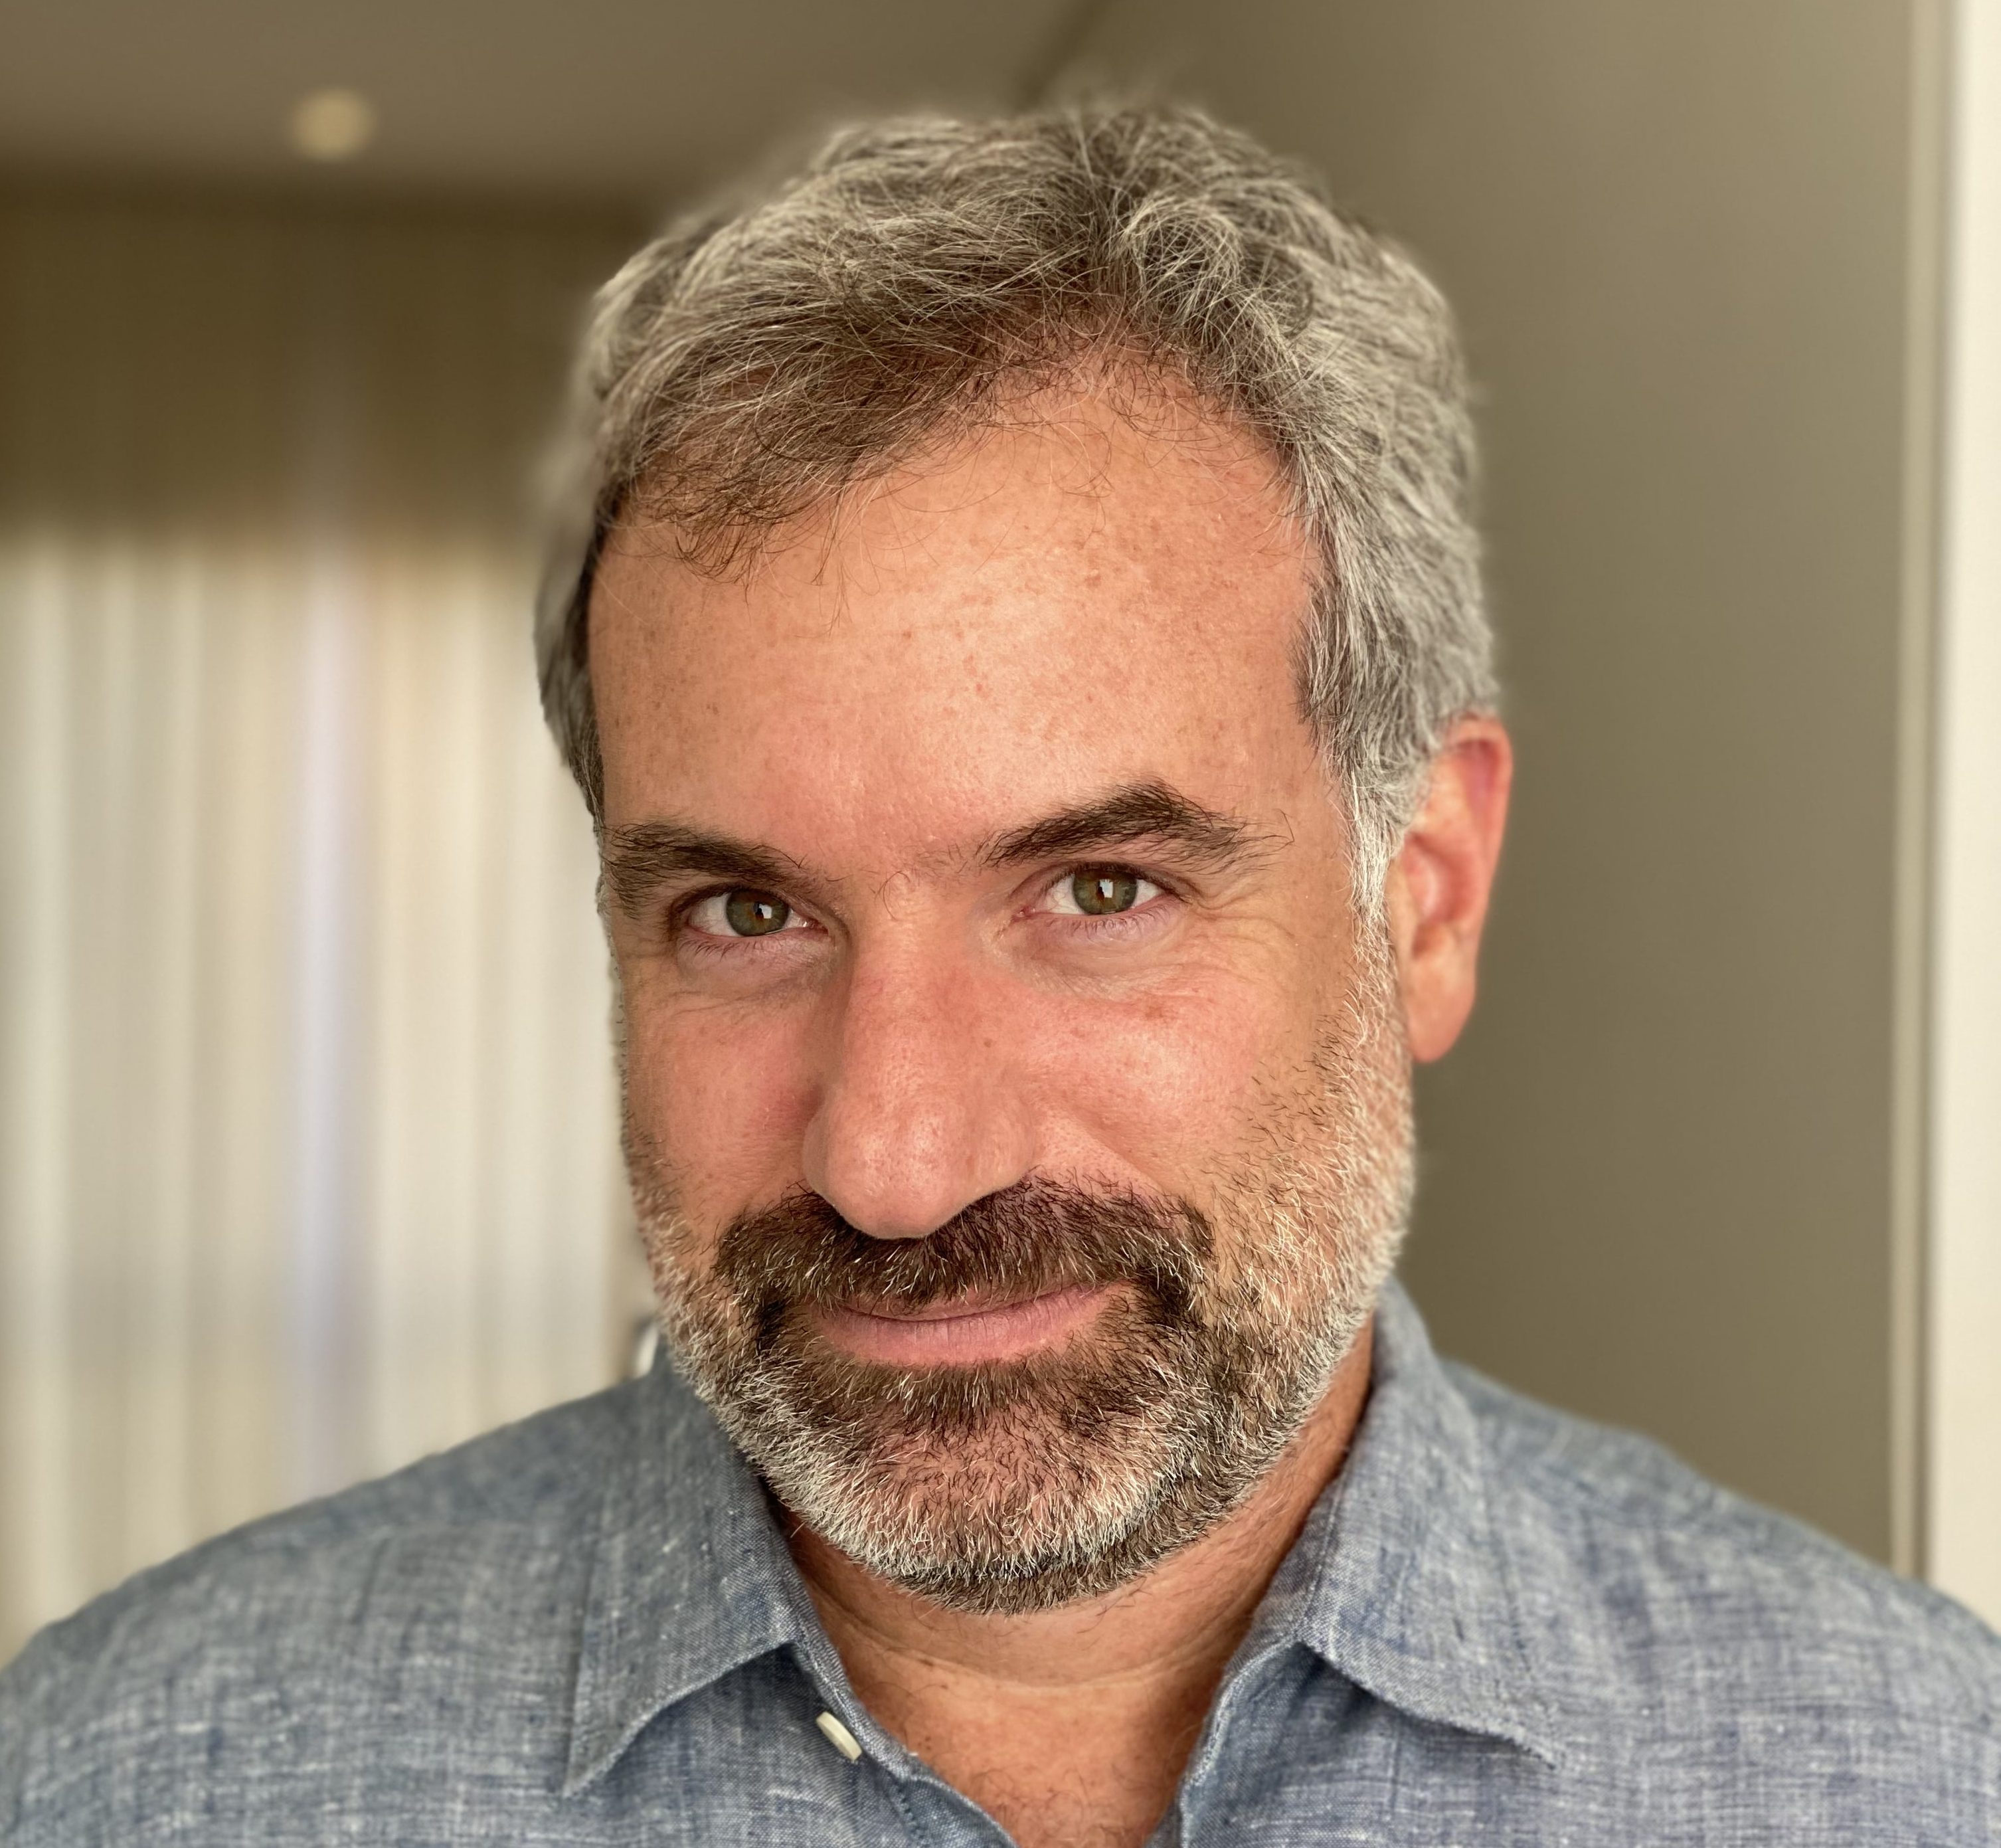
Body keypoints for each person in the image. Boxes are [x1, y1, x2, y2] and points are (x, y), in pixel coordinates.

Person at [2, 102, 1995, 1848]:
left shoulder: (1923, 1778)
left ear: (1428, 896)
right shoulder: (118, 1782)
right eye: (748, 916)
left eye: (1099, 890)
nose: (893, 1164)